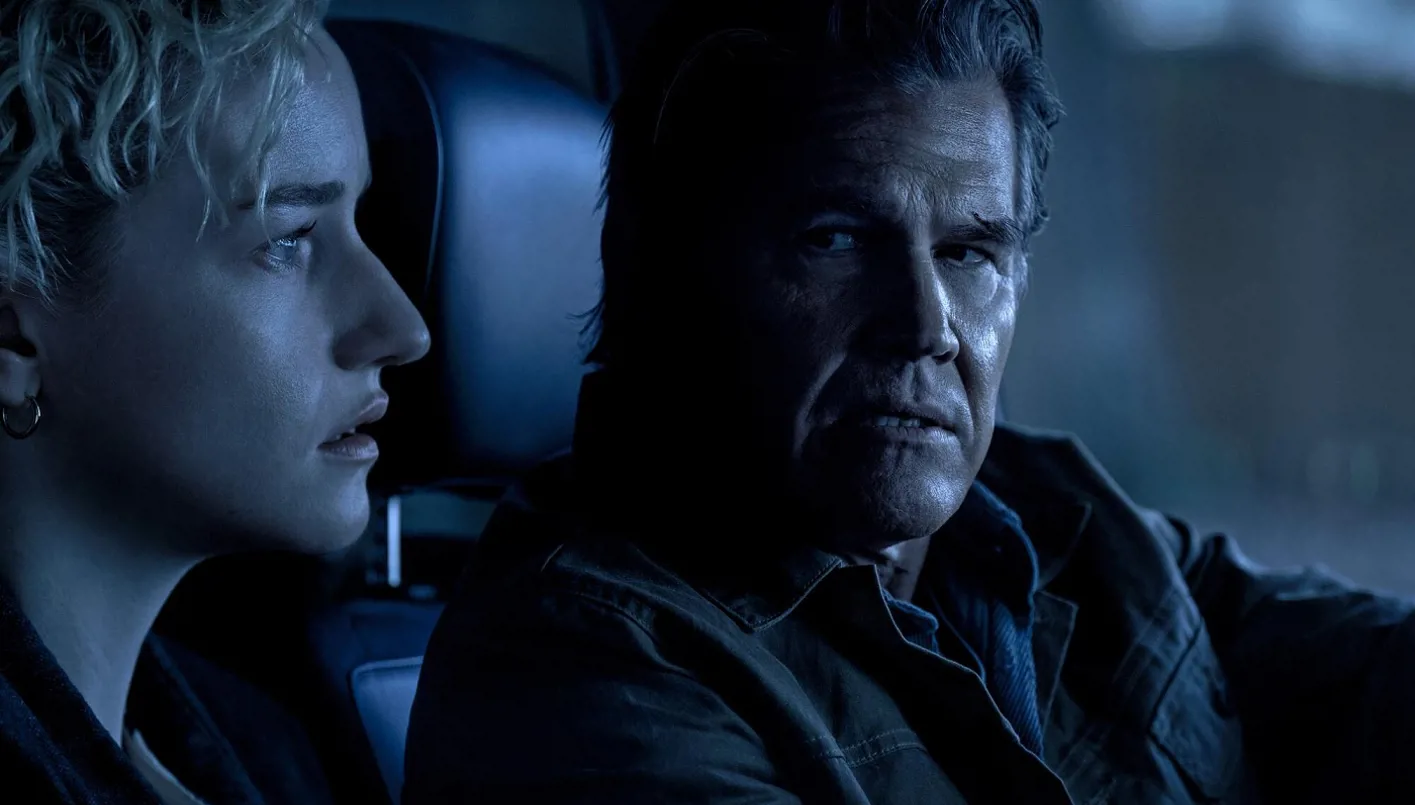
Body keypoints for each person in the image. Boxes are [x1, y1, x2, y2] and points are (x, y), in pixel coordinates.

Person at [402, 0, 1415, 803]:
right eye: (835, 240)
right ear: (671, 274)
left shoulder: (1065, 523)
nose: (926, 324)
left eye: (970, 253)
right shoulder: (584, 665)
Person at [0, 1, 431, 803]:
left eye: (358, 221)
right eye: (287, 236)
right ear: (13, 337)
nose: (402, 329)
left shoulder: (271, 748)